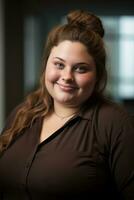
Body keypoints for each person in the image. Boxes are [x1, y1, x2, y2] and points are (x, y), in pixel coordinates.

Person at [0, 9, 134, 200]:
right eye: (59, 64)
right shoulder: (22, 114)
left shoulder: (115, 124)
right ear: (46, 64)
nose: (67, 77)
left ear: (98, 75)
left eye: (81, 68)